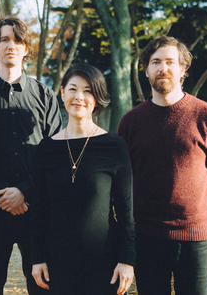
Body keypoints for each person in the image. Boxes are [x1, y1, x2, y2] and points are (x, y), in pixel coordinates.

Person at [117, 35, 207, 294]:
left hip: (197, 238)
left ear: (183, 69)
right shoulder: (130, 122)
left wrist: (202, 217)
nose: (163, 68)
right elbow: (122, 180)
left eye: (170, 62)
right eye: (156, 62)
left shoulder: (206, 115)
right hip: (147, 236)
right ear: (146, 70)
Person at [0, 17, 62, 295]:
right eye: (4, 39)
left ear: (26, 48)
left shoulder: (44, 96)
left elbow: (54, 153)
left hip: (36, 210)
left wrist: (24, 191)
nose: (11, 46)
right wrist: (4, 195)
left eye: (17, 40)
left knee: (43, 286)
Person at [30, 64, 135, 295]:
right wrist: (36, 258)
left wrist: (127, 260)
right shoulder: (46, 149)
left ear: (97, 98)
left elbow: (126, 210)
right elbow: (38, 210)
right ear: (62, 93)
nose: (79, 97)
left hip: (104, 263)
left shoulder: (114, 146)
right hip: (55, 264)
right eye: (73, 89)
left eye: (88, 91)